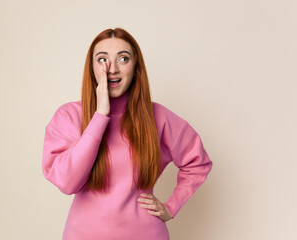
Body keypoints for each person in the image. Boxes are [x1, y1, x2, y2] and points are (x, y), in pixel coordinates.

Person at [42, 27, 213, 240]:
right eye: (102, 59)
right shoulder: (69, 116)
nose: (112, 69)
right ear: (92, 67)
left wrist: (171, 206)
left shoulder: (158, 117)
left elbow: (198, 162)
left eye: (123, 58)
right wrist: (100, 116)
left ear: (135, 67)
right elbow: (67, 182)